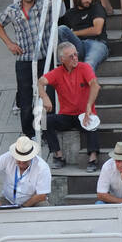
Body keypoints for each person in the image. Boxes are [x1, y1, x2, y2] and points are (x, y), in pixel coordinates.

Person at [40, 42, 101, 172]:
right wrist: (45, 97)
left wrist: (89, 106)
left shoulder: (84, 67)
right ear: (62, 60)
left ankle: (93, 157)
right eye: (71, 56)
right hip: (67, 115)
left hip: (84, 113)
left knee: (92, 122)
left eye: (75, 54)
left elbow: (95, 85)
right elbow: (40, 82)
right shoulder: (57, 72)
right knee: (44, 120)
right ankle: (58, 155)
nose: (75, 58)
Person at [0, 136, 51, 207]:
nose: (21, 162)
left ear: (31, 157)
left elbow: (42, 195)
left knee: (43, 205)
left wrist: (22, 208)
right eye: (18, 159)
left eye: (24, 161)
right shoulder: (8, 156)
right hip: (8, 200)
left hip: (32, 202)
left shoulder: (42, 167)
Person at [58, 0, 109, 74]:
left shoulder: (97, 7)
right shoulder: (70, 13)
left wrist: (75, 33)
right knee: (61, 29)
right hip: (78, 46)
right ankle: (64, 60)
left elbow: (97, 30)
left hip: (97, 43)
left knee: (88, 65)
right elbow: (63, 33)